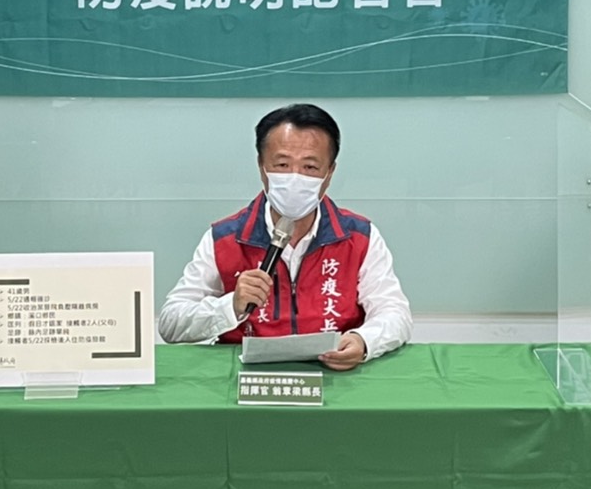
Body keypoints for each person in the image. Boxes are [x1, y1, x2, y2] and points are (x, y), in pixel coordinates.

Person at [157, 103, 412, 370]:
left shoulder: (359, 237)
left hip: (334, 376)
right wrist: (230, 306)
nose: (295, 178)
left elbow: (395, 313)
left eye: (310, 167)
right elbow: (171, 324)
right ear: (261, 167)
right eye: (282, 164)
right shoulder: (225, 239)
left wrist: (364, 340)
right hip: (248, 382)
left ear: (329, 173)